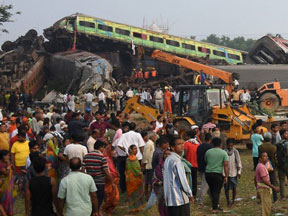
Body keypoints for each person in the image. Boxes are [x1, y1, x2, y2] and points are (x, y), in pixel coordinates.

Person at [163, 137, 193, 216]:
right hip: (179, 199)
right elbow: (182, 180)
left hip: (170, 198)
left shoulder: (168, 159)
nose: (182, 145)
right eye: (179, 144)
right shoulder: (177, 161)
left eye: (182, 143)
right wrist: (189, 194)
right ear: (173, 147)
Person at [82, 140, 112, 216]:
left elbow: (82, 170)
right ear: (101, 147)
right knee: (99, 198)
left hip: (89, 181)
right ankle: (96, 212)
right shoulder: (102, 158)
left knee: (90, 198)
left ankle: (91, 212)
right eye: (104, 148)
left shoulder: (86, 156)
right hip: (99, 181)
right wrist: (111, 181)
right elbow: (106, 171)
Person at [205, 137, 229, 214]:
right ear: (220, 144)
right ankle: (214, 208)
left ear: (212, 143)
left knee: (212, 190)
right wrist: (226, 176)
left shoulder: (208, 152)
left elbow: (206, 161)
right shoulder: (223, 153)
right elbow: (226, 165)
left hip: (208, 173)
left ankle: (215, 204)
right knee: (216, 191)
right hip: (217, 174)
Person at [255, 152, 280, 216]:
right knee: (266, 208)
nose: (267, 158)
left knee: (267, 205)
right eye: (264, 156)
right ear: (260, 159)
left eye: (267, 156)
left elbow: (255, 178)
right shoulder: (261, 167)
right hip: (264, 189)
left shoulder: (262, 166)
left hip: (263, 188)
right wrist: (274, 187)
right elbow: (265, 181)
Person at [125, 145, 146, 213]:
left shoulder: (128, 158)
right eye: (134, 149)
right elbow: (136, 169)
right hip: (134, 179)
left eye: (136, 149)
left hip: (129, 179)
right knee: (135, 193)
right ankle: (135, 208)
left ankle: (133, 208)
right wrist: (140, 174)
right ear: (131, 150)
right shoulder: (133, 158)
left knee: (131, 194)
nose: (136, 150)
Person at [258, 132, 278, 202]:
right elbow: (275, 158)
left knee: (263, 182)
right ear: (270, 138)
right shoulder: (274, 147)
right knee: (273, 181)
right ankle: (275, 198)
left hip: (263, 166)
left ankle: (262, 198)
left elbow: (259, 157)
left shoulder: (260, 147)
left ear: (264, 138)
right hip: (271, 166)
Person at [224, 139, 242, 207]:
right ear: (227, 145)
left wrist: (239, 171)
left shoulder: (235, 152)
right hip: (226, 173)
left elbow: (238, 161)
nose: (230, 147)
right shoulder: (224, 152)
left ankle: (233, 200)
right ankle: (228, 200)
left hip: (234, 172)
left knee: (234, 187)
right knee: (226, 188)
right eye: (229, 146)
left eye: (231, 146)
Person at [102, 145, 120, 215]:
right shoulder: (107, 159)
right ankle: (103, 209)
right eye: (113, 151)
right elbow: (108, 172)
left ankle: (108, 211)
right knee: (111, 198)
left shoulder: (110, 159)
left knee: (113, 197)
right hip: (109, 182)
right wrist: (115, 176)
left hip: (111, 181)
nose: (114, 152)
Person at [152, 149, 170, 216]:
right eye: (165, 154)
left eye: (169, 154)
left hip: (171, 190)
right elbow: (154, 178)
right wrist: (159, 183)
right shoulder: (159, 167)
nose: (167, 155)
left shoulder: (173, 165)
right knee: (162, 204)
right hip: (161, 189)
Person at [197, 133, 213, 205]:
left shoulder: (199, 146)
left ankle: (213, 198)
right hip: (207, 168)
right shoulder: (210, 147)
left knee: (208, 185)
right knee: (204, 185)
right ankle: (200, 201)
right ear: (210, 139)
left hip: (200, 167)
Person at [184, 130, 200, 197]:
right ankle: (194, 193)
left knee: (186, 179)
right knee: (194, 179)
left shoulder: (186, 143)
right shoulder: (197, 144)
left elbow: (185, 154)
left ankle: (187, 193)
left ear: (189, 136)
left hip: (188, 164)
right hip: (195, 164)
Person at [142, 132, 157, 199]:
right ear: (152, 137)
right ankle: (147, 195)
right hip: (149, 165)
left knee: (149, 181)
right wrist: (144, 164)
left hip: (150, 164)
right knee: (148, 181)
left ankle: (149, 194)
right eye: (155, 136)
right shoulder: (149, 143)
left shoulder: (151, 143)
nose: (156, 137)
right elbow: (146, 155)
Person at [0, 150, 15, 216]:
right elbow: (6, 173)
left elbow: (13, 169)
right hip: (3, 184)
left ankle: (9, 211)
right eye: (7, 155)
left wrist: (10, 165)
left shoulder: (7, 162)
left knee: (10, 198)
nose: (9, 156)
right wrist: (8, 165)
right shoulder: (1, 164)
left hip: (9, 185)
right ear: (3, 157)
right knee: (6, 198)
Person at [276, 129, 288, 200]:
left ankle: (282, 196)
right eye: (286, 133)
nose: (287, 135)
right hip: (286, 162)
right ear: (282, 135)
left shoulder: (278, 143)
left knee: (281, 179)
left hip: (280, 163)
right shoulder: (286, 143)